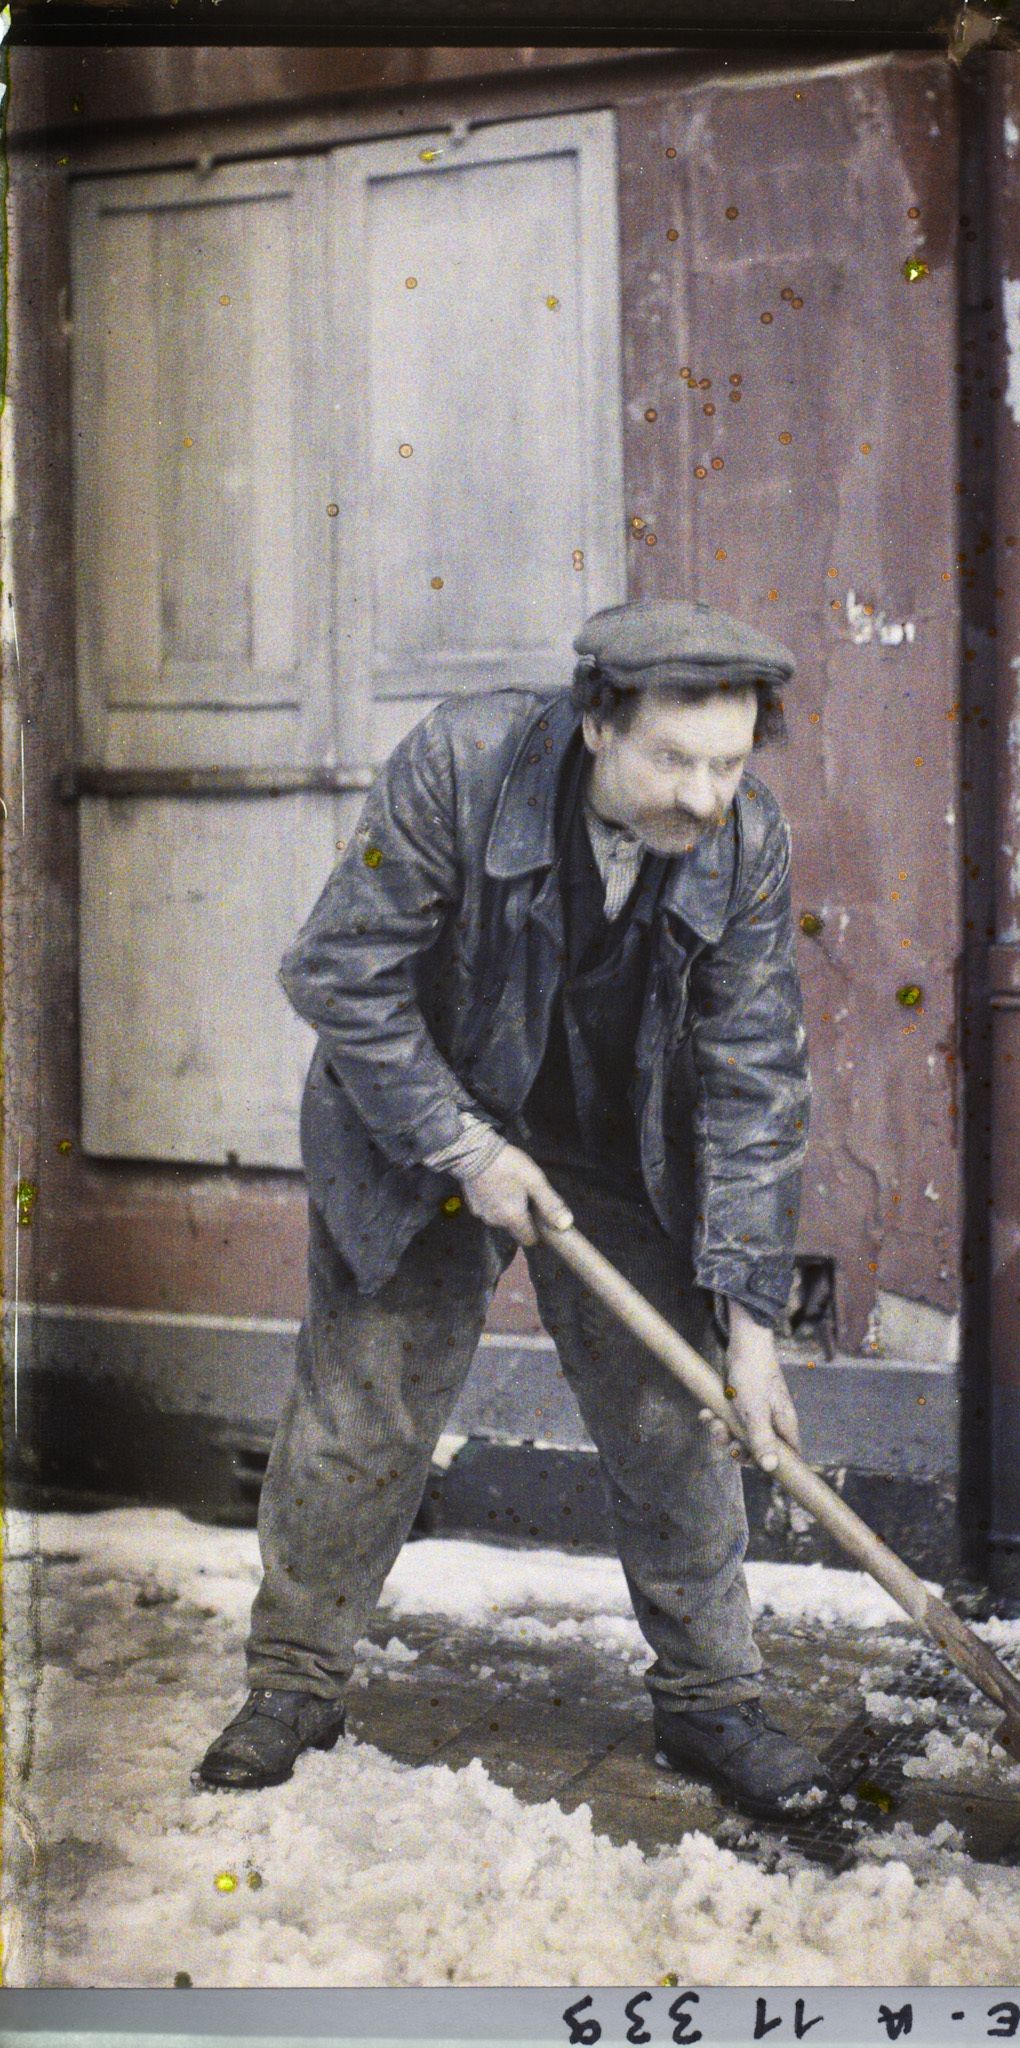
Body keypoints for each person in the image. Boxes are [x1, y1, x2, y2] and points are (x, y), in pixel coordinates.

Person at [193, 598, 828, 1820]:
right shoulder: (459, 766)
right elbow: (338, 970)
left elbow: (754, 1073)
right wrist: (460, 1141)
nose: (703, 796)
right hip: (425, 1108)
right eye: (671, 759)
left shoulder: (745, 838)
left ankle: (712, 1697)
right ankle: (293, 1681)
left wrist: (749, 1327)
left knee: (678, 1406)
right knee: (366, 1398)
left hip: (612, 1139)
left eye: (728, 762)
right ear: (596, 722)